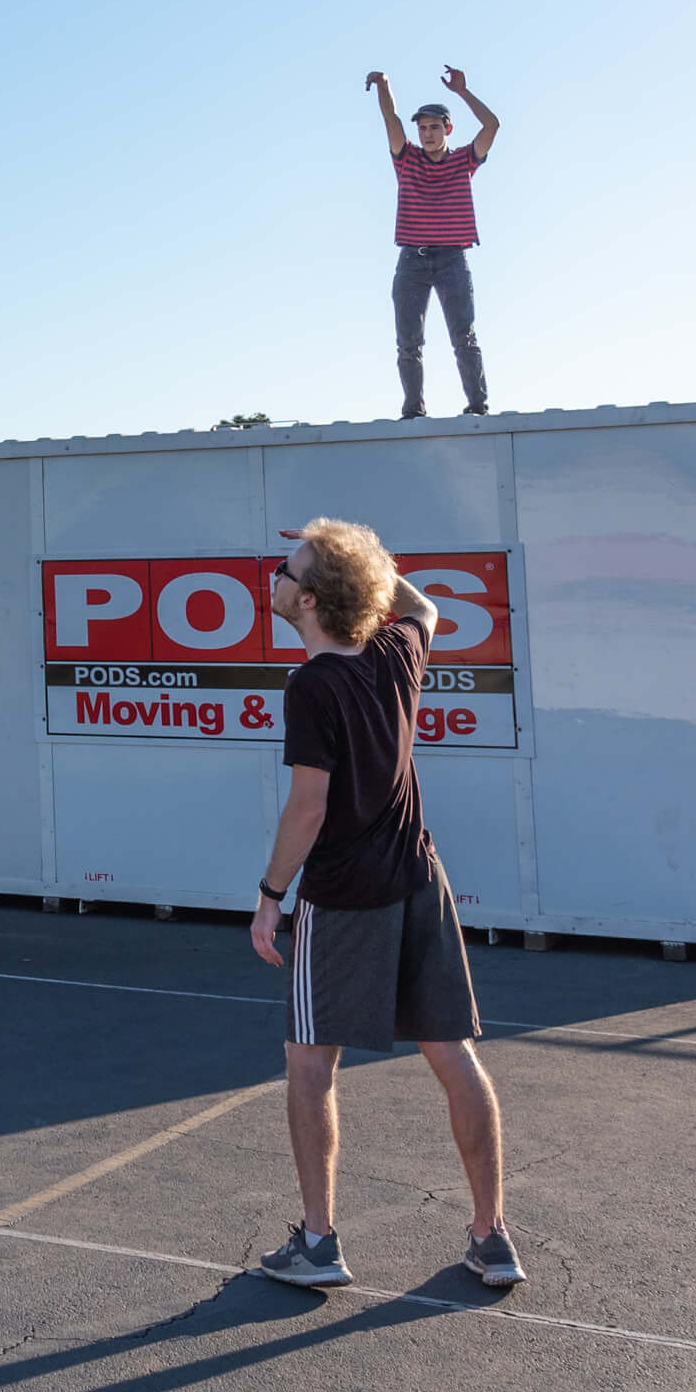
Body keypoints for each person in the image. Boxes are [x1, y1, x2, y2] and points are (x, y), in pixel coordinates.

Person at [247, 517, 523, 1294]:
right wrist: (367, 561)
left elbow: (308, 808)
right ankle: (491, 1234)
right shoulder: (395, 652)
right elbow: (426, 608)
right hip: (418, 881)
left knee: (309, 1063)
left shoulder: (314, 683)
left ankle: (318, 1241)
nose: (275, 575)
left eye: (287, 566)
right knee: (452, 1050)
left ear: (307, 598)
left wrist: (270, 898)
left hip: (344, 896)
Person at [365, 66, 497, 418]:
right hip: (412, 261)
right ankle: (413, 409)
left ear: (447, 129)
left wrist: (463, 93)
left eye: (434, 127)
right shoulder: (406, 159)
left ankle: (477, 406)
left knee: (463, 338)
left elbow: (492, 126)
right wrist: (384, 84)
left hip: (452, 259)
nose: (426, 134)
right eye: (422, 128)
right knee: (409, 343)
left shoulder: (462, 162)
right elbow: (390, 118)